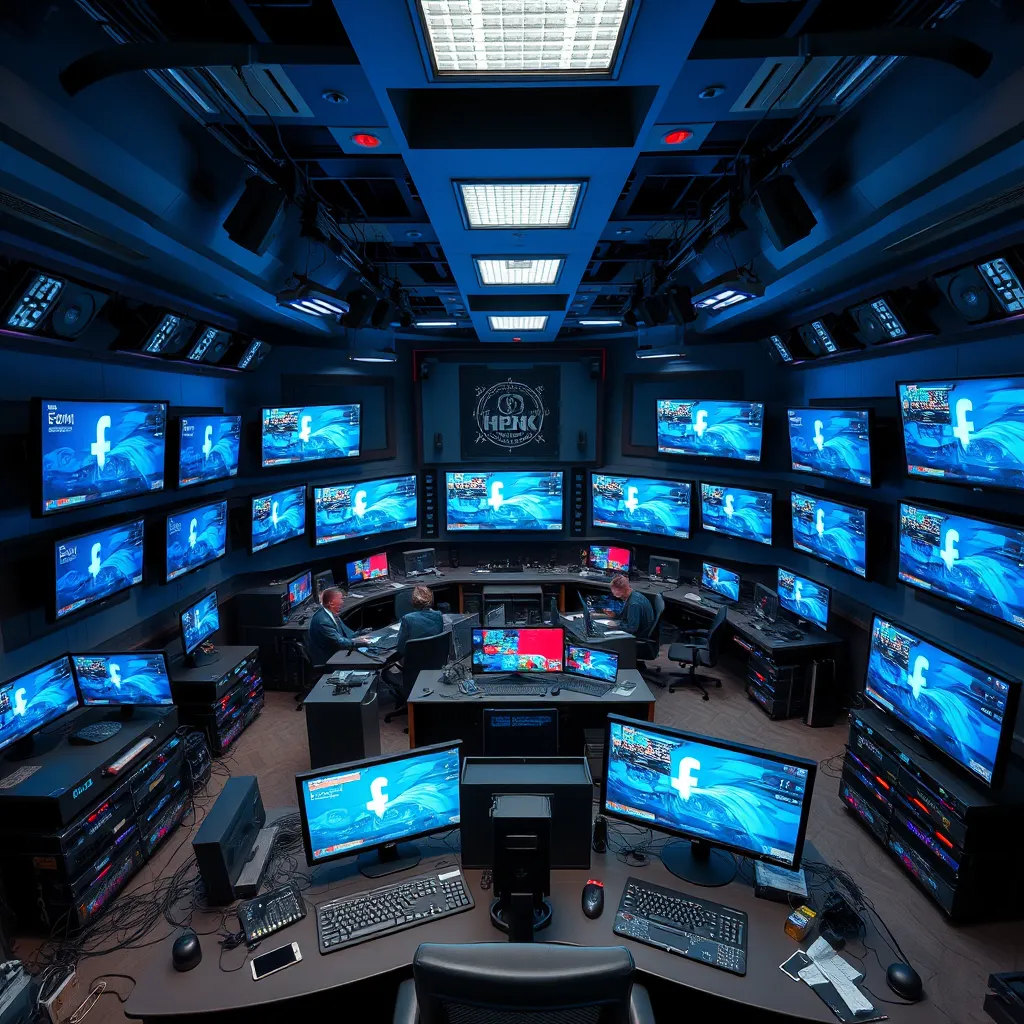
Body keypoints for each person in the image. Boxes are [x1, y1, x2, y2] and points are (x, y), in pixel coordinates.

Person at [306, 587, 356, 666]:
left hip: (337, 651)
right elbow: (339, 642)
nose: (342, 602)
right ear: (331, 603)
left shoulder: (331, 614)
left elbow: (347, 633)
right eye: (340, 599)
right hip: (329, 659)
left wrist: (361, 635)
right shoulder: (323, 621)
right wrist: (357, 642)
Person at [396, 586, 444, 656]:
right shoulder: (439, 615)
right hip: (434, 657)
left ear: (414, 600)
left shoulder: (407, 619)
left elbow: (400, 649)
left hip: (413, 660)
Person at [609, 574, 655, 638]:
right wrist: (615, 615)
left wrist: (616, 626)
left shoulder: (634, 604)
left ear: (620, 591)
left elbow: (632, 629)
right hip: (637, 629)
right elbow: (627, 617)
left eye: (613, 590)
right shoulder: (633, 594)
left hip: (638, 637)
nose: (612, 592)